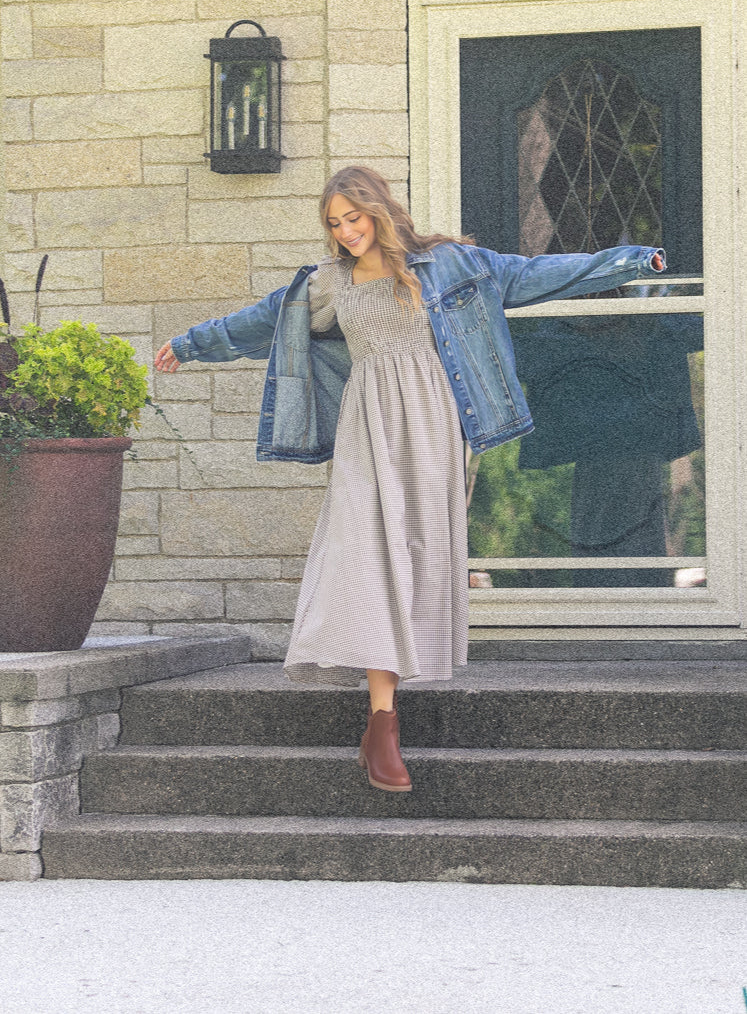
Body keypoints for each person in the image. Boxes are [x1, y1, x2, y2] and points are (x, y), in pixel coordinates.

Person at [155, 165, 666, 794]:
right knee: (370, 557)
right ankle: (384, 725)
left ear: (378, 209)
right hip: (367, 428)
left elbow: (534, 275)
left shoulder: (450, 264)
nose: (346, 233)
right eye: (335, 224)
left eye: (353, 218)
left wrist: (629, 262)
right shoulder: (329, 282)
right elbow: (262, 321)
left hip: (434, 427)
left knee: (415, 562)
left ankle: (382, 722)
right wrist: (191, 344)